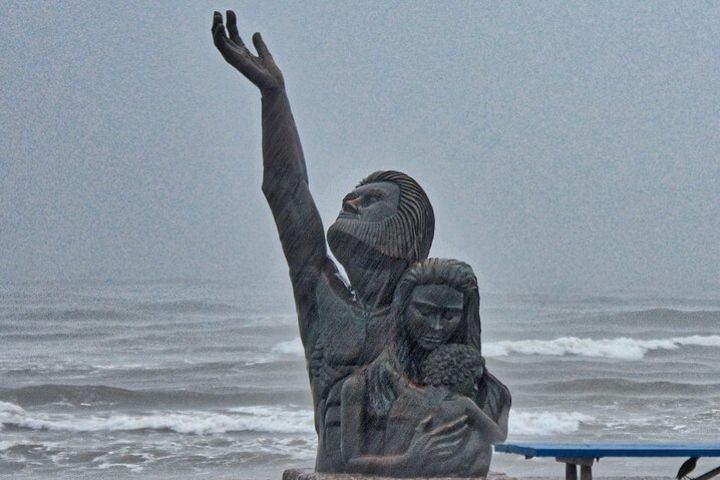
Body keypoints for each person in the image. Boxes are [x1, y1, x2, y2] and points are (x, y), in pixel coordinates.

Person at [211, 11, 437, 471]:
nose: (349, 201)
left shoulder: (432, 311)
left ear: (405, 228)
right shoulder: (322, 295)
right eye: (351, 194)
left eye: (369, 199)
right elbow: (286, 189)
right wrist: (274, 96)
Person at [340, 259, 510, 476]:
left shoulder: (486, 390)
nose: (437, 326)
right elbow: (351, 461)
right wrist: (408, 460)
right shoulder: (362, 387)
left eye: (449, 316)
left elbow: (488, 447)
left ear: (465, 315)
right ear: (402, 309)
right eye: (425, 312)